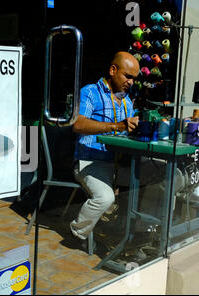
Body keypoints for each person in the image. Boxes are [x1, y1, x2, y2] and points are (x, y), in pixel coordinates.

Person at [70, 51, 183, 249]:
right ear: (113, 70)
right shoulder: (90, 92)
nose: (131, 82)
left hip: (121, 163)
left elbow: (128, 130)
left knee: (169, 175)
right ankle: (78, 233)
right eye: (128, 76)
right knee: (105, 197)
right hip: (92, 161)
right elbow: (77, 124)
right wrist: (117, 126)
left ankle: (141, 230)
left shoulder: (126, 101)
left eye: (134, 79)